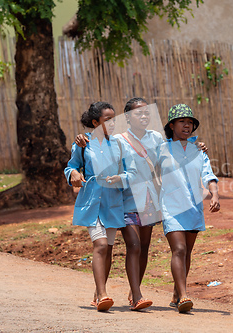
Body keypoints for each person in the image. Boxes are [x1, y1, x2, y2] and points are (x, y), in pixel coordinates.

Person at [75, 98, 208, 310]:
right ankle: (113, 293)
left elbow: (175, 146)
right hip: (125, 199)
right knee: (130, 245)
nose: (144, 116)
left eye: (147, 113)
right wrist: (83, 140)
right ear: (127, 117)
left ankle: (132, 292)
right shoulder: (118, 139)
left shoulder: (157, 138)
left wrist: (196, 144)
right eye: (139, 114)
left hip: (150, 199)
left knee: (143, 247)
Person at [64, 101, 138, 311]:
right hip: (91, 202)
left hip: (113, 203)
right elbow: (71, 166)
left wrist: (120, 178)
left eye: (114, 119)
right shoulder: (82, 143)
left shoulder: (119, 144)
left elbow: (131, 172)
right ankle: (104, 295)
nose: (113, 123)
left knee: (109, 250)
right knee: (101, 245)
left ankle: (98, 294)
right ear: (95, 122)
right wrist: (74, 175)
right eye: (108, 120)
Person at [158, 104, 220, 313]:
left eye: (190, 122)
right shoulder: (161, 148)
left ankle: (177, 293)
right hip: (171, 206)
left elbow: (208, 174)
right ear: (172, 125)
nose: (187, 125)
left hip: (193, 208)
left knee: (187, 253)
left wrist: (214, 194)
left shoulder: (198, 151)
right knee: (179, 249)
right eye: (182, 121)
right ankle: (184, 296)